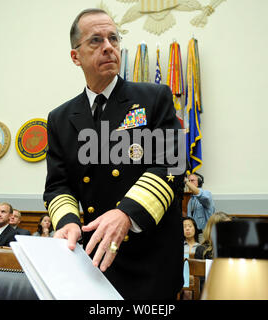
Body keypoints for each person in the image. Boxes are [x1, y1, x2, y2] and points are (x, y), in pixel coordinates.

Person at [43, 8, 184, 299]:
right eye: (96, 40)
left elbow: (171, 165)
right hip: (93, 258)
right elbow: (59, 184)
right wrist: (68, 222)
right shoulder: (60, 117)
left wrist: (125, 214)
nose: (109, 47)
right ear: (75, 56)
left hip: (150, 260)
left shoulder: (154, 97)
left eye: (113, 39)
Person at [185, 173, 215, 242]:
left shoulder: (207, 194)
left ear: (199, 182)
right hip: (194, 236)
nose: (189, 183)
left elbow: (202, 196)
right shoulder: (190, 200)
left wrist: (186, 181)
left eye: (192, 180)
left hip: (205, 235)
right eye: (188, 181)